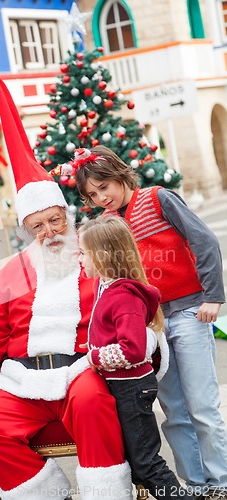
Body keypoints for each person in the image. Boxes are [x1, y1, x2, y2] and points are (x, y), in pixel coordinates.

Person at [0, 58, 132, 500]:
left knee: (94, 402)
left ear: (68, 216)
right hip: (22, 381)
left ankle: (106, 493)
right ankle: (49, 494)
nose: (49, 233)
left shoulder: (92, 257)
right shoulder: (14, 272)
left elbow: (124, 311)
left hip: (80, 372)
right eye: (38, 227)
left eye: (55, 221)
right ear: (28, 230)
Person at [74, 145, 227, 499]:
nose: (101, 198)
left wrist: (213, 296)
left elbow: (203, 240)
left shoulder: (157, 198)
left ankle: (219, 481)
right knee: (173, 409)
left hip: (189, 311)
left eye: (104, 188)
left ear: (119, 175)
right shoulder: (108, 225)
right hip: (151, 325)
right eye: (92, 195)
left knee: (201, 406)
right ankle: (195, 484)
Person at [78, 216, 189, 500]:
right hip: (124, 386)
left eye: (83, 252)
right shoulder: (106, 286)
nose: (79, 258)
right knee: (138, 464)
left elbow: (133, 349)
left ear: (102, 256)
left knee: (147, 463)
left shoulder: (124, 296)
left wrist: (95, 356)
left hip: (131, 388)